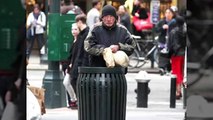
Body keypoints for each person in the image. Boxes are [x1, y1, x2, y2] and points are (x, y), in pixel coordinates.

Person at [67, 14, 90, 108]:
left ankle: (81, 101)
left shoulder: (85, 33)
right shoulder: (83, 33)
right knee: (73, 80)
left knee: (75, 81)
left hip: (81, 63)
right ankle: (80, 101)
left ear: (80, 22)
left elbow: (83, 51)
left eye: (77, 22)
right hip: (78, 62)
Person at [167, 16, 186, 99]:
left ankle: (178, 91)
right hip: (184, 54)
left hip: (176, 55)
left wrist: (170, 53)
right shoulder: (185, 31)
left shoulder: (174, 32)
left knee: (176, 73)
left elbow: (173, 45)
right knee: (182, 72)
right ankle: (181, 90)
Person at [63, 23, 80, 109]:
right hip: (70, 66)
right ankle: (74, 99)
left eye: (75, 29)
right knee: (66, 82)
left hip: (74, 66)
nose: (73, 31)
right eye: (72, 29)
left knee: (68, 82)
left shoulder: (79, 42)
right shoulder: (73, 41)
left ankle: (75, 100)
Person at [155, 8, 176, 74]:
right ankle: (162, 68)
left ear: (172, 14)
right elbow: (156, 30)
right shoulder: (162, 21)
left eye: (169, 13)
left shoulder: (174, 22)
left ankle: (170, 68)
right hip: (163, 41)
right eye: (166, 13)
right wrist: (162, 28)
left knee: (171, 56)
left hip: (172, 42)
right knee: (162, 55)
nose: (168, 14)